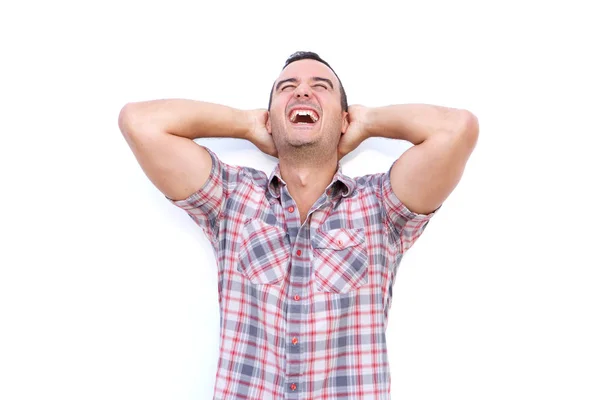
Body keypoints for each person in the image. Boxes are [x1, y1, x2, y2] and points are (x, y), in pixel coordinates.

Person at [118, 51, 479, 399]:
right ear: (270, 117)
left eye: (321, 86)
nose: (302, 91)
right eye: (286, 87)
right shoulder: (232, 199)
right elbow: (139, 122)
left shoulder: (380, 207)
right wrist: (245, 124)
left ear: (343, 119)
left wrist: (367, 122)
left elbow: (457, 129)